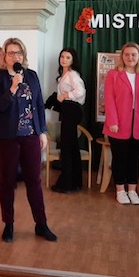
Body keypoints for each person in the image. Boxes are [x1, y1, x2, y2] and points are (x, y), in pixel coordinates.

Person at [0, 37, 57, 242]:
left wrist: (42, 131)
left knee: (34, 180)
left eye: (18, 53)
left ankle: (41, 224)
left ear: (23, 55)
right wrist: (12, 88)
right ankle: (8, 224)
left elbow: (39, 105)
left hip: (30, 136)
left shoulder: (31, 75)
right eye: (11, 53)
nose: (15, 57)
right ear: (4, 56)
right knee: (7, 181)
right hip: (5, 138)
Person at [102, 42, 139, 205]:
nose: (130, 57)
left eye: (133, 54)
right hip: (118, 124)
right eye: (127, 54)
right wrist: (112, 121)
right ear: (122, 56)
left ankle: (132, 190)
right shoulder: (113, 74)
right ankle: (120, 190)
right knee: (119, 158)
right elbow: (109, 99)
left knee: (134, 159)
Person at [51, 47, 86, 194]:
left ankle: (67, 184)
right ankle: (74, 182)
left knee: (67, 146)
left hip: (72, 110)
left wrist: (65, 95)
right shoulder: (63, 75)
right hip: (67, 110)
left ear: (73, 60)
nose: (64, 60)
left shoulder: (72, 75)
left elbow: (81, 92)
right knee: (71, 146)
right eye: (62, 57)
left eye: (67, 57)